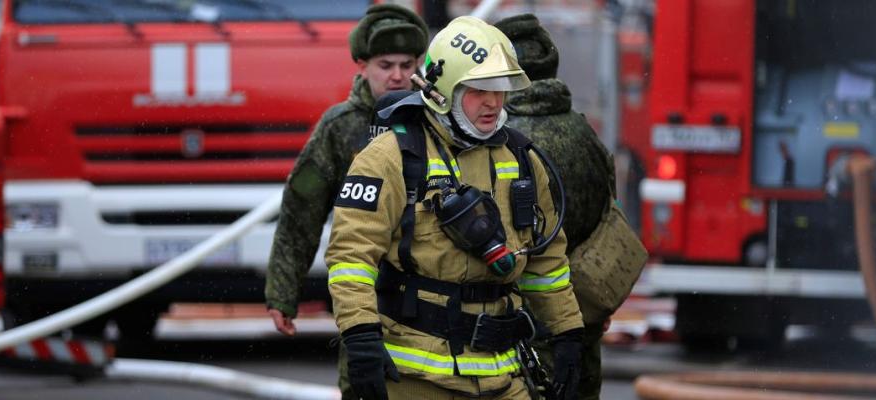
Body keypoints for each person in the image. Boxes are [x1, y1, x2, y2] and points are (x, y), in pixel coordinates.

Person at [325, 16, 584, 400]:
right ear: (443, 89)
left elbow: (544, 262)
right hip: (417, 377)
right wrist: (361, 335)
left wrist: (567, 333)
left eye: (500, 89)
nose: (493, 102)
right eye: (479, 90)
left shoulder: (522, 158)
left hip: (504, 374)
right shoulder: (390, 157)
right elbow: (351, 256)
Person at [264, 4, 428, 399]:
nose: (398, 76)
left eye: (407, 64)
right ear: (361, 65)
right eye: (385, 64)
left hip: (429, 296)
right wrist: (282, 294)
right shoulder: (340, 128)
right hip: (365, 297)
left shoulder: (434, 119)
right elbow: (300, 212)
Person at [495, 14, 619, 400]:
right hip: (585, 316)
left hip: (526, 331)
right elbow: (608, 216)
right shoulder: (584, 132)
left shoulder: (505, 142)